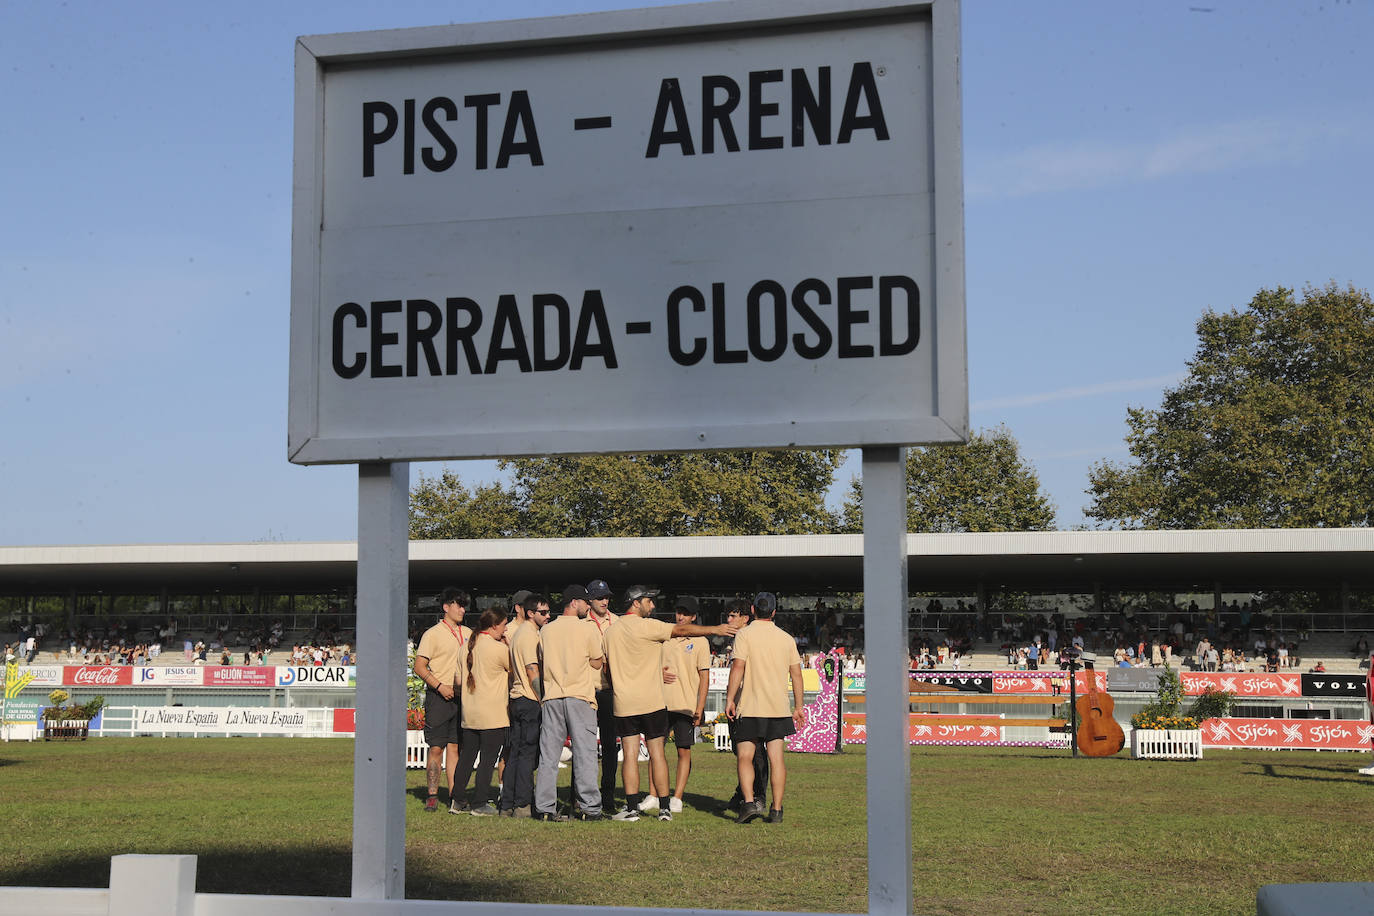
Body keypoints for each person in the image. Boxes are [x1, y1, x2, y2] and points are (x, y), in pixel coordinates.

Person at [602, 585, 735, 822]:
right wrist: (716, 628)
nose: (653, 606)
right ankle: (664, 808)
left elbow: (607, 669)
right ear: (636, 603)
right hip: (652, 701)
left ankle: (632, 809)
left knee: (630, 754)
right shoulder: (649, 626)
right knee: (657, 754)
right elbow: (681, 629)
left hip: (624, 702)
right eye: (649, 601)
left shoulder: (611, 632)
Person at [726, 591, 805, 825]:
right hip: (778, 708)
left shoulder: (745, 635)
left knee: (745, 756)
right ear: (773, 612)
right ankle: (777, 809)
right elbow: (797, 674)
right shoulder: (786, 638)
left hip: (750, 706)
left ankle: (749, 803)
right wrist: (799, 706)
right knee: (776, 758)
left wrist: (730, 698)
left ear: (752, 610)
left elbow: (738, 667)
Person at [533, 584, 605, 822]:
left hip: (553, 696)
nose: (587, 606)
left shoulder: (546, 631)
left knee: (549, 756)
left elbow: (542, 660)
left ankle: (544, 807)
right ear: (574, 603)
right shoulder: (588, 628)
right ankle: (590, 807)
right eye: (585, 602)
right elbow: (597, 662)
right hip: (580, 696)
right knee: (585, 754)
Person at [639, 595, 713, 816]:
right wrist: (658, 672)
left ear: (694, 616)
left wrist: (699, 708)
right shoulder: (666, 636)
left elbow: (705, 678)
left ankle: (677, 797)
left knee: (683, 750)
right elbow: (649, 663)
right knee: (655, 750)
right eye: (678, 612)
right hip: (661, 702)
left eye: (685, 613)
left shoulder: (701, 641)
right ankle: (653, 795)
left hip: (686, 705)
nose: (680, 616)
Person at [413, 587, 472, 813]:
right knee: (436, 747)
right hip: (438, 697)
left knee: (456, 747)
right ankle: (432, 795)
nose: (462, 609)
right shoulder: (433, 633)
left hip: (461, 698)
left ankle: (455, 796)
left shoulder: (469, 633)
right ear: (446, 607)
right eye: (458, 605)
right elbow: (419, 666)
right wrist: (439, 686)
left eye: (464, 605)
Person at [449, 609, 510, 816]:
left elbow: (457, 681)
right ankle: (480, 803)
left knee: (467, 757)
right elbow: (515, 671)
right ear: (494, 626)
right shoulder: (499, 649)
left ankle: (457, 800)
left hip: (470, 712)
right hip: (493, 713)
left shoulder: (465, 646)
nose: (505, 629)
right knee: (487, 760)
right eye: (503, 625)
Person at [499, 594, 550, 817]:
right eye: (543, 613)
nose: (548, 616)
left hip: (517, 698)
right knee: (528, 754)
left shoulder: (519, 633)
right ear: (530, 613)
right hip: (529, 699)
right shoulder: (529, 635)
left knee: (516, 753)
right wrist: (542, 699)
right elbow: (532, 670)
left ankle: (507, 803)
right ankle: (522, 804)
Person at [723, 599, 769, 814]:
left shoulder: (749, 637)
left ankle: (758, 797)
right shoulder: (738, 639)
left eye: (733, 616)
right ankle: (743, 792)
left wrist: (730, 698)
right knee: (741, 752)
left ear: (745, 618)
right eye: (728, 615)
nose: (728, 619)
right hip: (740, 703)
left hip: (752, 703)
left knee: (756, 753)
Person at [584, 577, 621, 812]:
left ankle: (607, 796)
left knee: (609, 747)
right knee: (584, 746)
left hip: (610, 690)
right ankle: (582, 796)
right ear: (589, 600)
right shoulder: (579, 623)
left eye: (606, 596)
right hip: (586, 690)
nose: (604, 601)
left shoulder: (617, 622)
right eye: (599, 597)